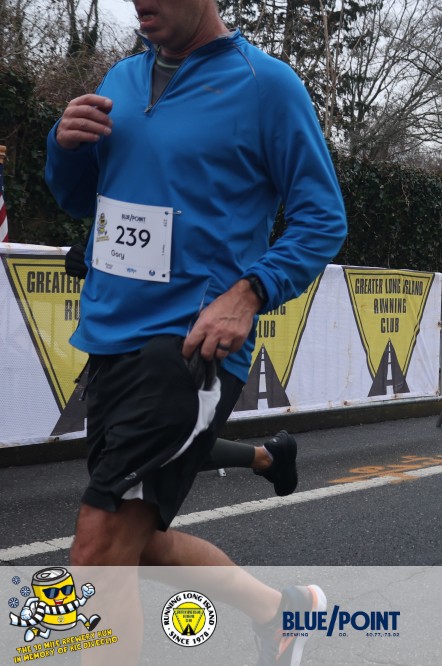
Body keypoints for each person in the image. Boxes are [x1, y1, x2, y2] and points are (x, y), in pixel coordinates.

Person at [44, 2, 346, 664]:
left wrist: (250, 292)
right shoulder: (121, 79)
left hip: (186, 349)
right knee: (135, 541)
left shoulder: (266, 84)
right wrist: (63, 148)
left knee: (97, 550)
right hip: (109, 340)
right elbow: (80, 199)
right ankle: (283, 612)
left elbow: (323, 217)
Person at [64, 242, 299, 496]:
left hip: (183, 337)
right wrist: (95, 259)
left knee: (136, 462)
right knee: (119, 455)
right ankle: (266, 457)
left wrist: (251, 294)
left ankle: (266, 457)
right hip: (117, 335)